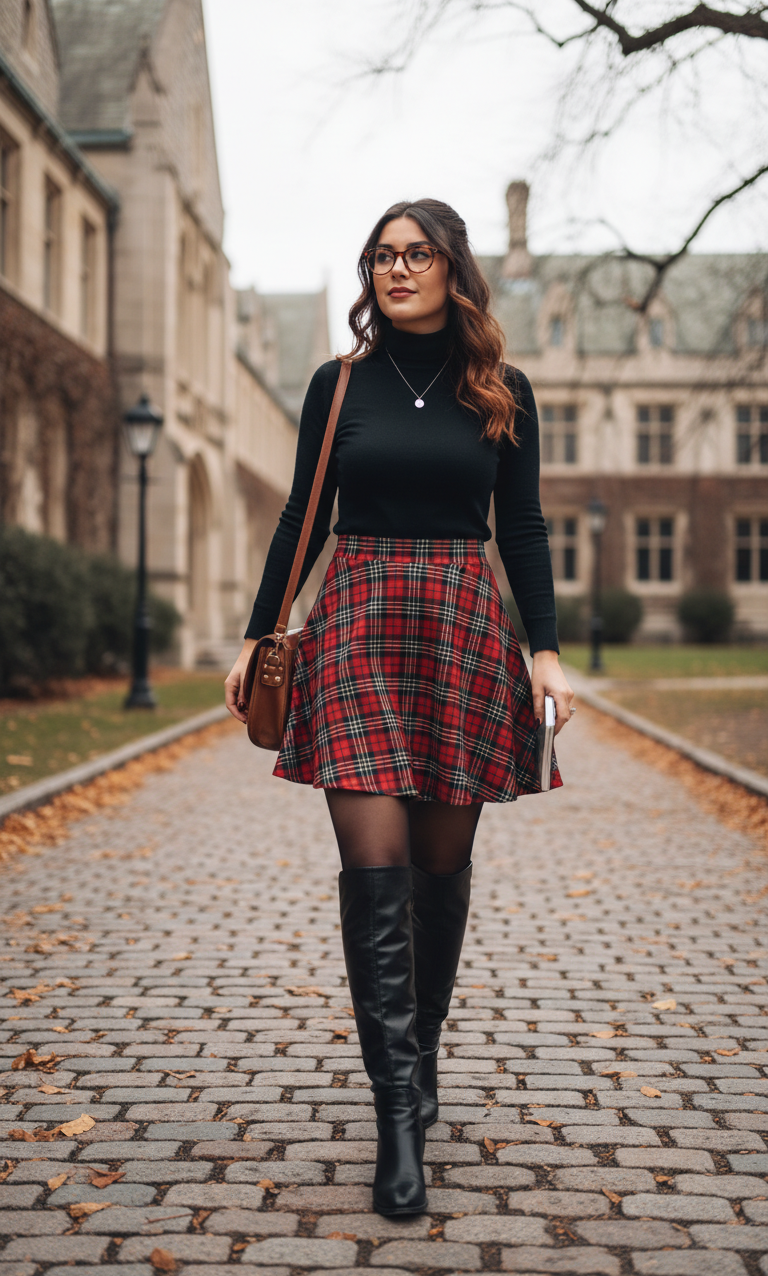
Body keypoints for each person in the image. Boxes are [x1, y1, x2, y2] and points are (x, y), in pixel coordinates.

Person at [225, 199, 574, 1217]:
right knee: (371, 864)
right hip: (360, 622)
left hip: (464, 625)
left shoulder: (501, 391)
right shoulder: (339, 386)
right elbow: (302, 513)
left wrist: (543, 649)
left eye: (416, 253)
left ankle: (419, 1066)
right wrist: (259, 631)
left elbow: (526, 526)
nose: (396, 269)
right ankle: (395, 1120)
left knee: (439, 869)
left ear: (452, 268)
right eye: (382, 255)